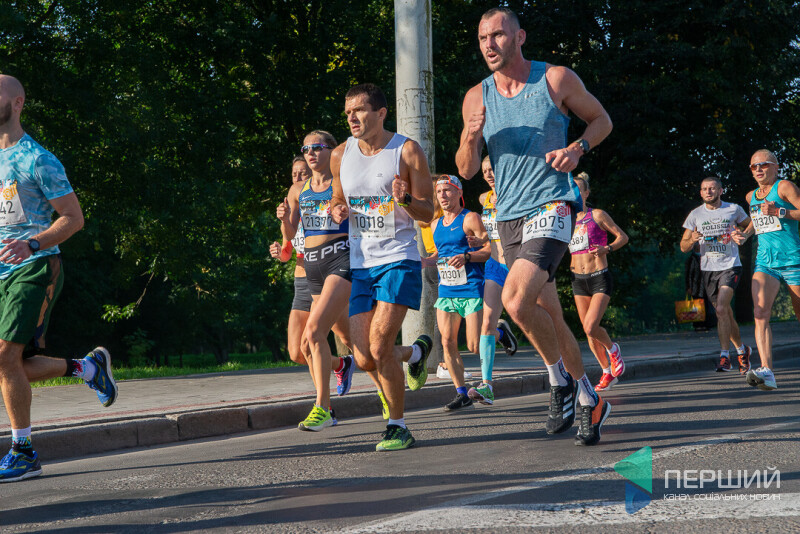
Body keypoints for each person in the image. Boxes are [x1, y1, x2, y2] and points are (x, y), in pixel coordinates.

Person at [455, 8, 613, 446]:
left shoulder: (554, 79)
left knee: (514, 300)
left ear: (519, 37)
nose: (489, 44)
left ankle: (558, 381)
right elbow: (466, 170)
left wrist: (577, 148)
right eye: (482, 37)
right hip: (509, 217)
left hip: (552, 204)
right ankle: (588, 397)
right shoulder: (476, 97)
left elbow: (602, 120)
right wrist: (470, 137)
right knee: (550, 316)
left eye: (498, 35)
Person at [0, 74, 117, 482]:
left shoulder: (38, 159)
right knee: (11, 364)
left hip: (34, 266)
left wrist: (32, 244)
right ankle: (88, 368)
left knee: (4, 357)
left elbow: (73, 218)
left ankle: (23, 451)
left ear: (17, 103)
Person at [330, 83, 434, 451]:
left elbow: (428, 212)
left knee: (378, 346)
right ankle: (416, 354)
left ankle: (398, 426)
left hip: (398, 259)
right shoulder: (340, 154)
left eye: (359, 110)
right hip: (361, 265)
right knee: (363, 357)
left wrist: (405, 199)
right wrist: (337, 209)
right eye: (348, 113)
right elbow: (337, 198)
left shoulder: (406, 151)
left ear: (381, 113)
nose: (352, 118)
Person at [277, 130, 388, 430]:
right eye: (306, 149)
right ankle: (386, 390)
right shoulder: (297, 190)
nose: (311, 153)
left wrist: (346, 210)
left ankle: (323, 408)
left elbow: (373, 211)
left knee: (313, 334)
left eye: (317, 147)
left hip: (340, 261)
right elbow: (290, 235)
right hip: (312, 268)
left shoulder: (343, 182)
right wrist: (284, 219)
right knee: (350, 343)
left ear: (332, 151)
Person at [731, 149, 800, 391]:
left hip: (793, 259)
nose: (759, 169)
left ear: (776, 167)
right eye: (754, 166)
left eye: (764, 164)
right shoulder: (751, 196)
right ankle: (767, 371)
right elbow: (756, 221)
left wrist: (780, 211)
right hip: (765, 262)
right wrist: (744, 235)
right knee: (760, 313)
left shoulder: (784, 187)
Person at [421, 175, 491, 410]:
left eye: (447, 190)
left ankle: (499, 330)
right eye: (439, 191)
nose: (442, 195)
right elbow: (440, 255)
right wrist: (426, 261)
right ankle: (461, 393)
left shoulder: (470, 218)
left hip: (471, 287)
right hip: (447, 290)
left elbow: (489, 249)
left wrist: (467, 256)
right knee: (447, 341)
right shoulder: (435, 224)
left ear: (459, 193)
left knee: (474, 345)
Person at [680, 176, 752, 374]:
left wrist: (743, 235)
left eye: (712, 188)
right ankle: (742, 350)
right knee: (724, 312)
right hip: (708, 269)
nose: (708, 192)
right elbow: (683, 246)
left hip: (730, 266)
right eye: (704, 189)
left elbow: (751, 224)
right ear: (700, 192)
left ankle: (724, 356)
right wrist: (692, 239)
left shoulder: (733, 209)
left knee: (721, 308)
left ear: (720, 191)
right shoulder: (695, 215)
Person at [466, 156, 519, 405]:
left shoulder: (519, 193)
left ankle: (560, 374)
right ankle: (486, 385)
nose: (488, 174)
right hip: (494, 266)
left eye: (492, 169)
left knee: (532, 319)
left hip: (519, 265)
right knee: (486, 323)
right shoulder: (484, 199)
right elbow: (490, 232)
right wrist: (481, 241)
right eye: (485, 170)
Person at [569, 173, 628, 391]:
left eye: (578, 189)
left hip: (599, 276)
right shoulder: (564, 220)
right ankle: (606, 371)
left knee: (590, 325)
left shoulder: (597, 215)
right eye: (570, 189)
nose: (574, 193)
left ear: (586, 193)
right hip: (577, 279)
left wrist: (607, 248)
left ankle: (613, 350)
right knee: (588, 332)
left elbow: (623, 237)